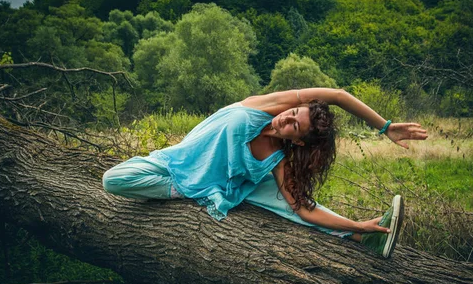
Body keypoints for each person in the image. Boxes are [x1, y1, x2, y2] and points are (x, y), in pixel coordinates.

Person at [102, 88, 428, 258]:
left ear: (298, 139)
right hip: (177, 161)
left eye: (293, 125)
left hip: (231, 183)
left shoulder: (275, 159)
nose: (285, 119)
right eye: (293, 113)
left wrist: (356, 222)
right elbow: (339, 97)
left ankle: (363, 234)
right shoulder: (267, 105)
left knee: (291, 205)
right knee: (114, 179)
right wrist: (384, 126)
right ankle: (189, 189)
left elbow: (303, 208)